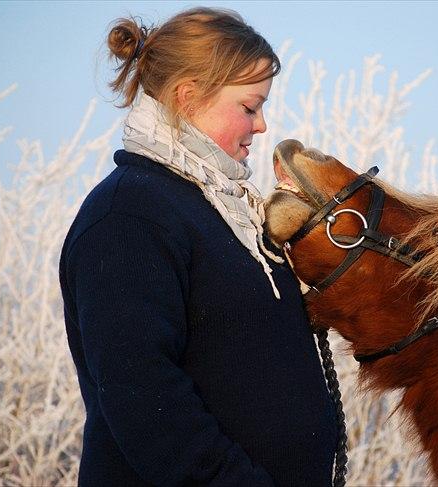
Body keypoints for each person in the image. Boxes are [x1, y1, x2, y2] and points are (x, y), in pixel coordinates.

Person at [59, 8, 338, 486]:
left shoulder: (223, 213)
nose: (263, 125)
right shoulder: (129, 216)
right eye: (250, 107)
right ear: (188, 98)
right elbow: (143, 398)